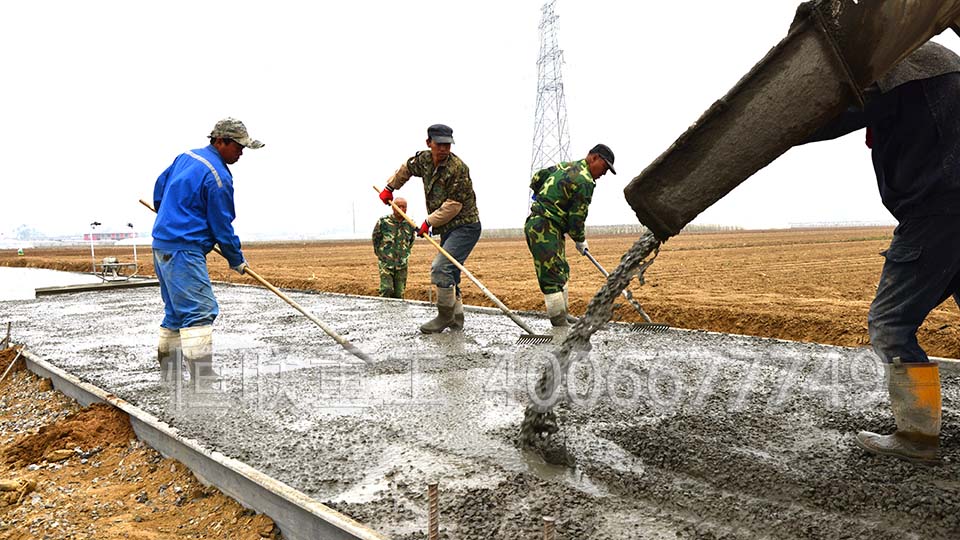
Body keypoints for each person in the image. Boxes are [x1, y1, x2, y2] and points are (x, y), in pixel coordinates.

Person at [803, 41, 960, 463]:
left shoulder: (898, 66)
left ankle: (918, 436)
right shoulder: (944, 63)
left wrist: (768, 125)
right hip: (950, 207)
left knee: (890, 324)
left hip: (934, 211)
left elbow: (825, 118)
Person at [151, 118, 264, 384]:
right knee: (199, 310)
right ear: (220, 141)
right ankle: (202, 377)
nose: (241, 152)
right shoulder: (218, 176)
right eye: (238, 146)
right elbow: (222, 225)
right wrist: (236, 259)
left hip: (162, 244)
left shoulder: (186, 157)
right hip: (184, 249)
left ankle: (170, 372)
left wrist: (170, 216)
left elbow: (159, 189)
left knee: (177, 311)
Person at [378, 124, 481, 333]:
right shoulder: (424, 160)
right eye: (439, 144)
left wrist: (429, 222)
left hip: (466, 226)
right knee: (451, 272)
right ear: (429, 143)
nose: (443, 149)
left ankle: (444, 317)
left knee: (441, 268)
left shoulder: (458, 168)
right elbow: (406, 168)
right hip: (448, 228)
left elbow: (454, 205)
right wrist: (390, 188)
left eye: (447, 145)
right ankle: (456, 318)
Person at [524, 144, 616, 326]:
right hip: (544, 226)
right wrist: (580, 240)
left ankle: (564, 315)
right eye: (604, 168)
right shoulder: (585, 181)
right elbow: (577, 217)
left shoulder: (565, 166)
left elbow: (537, 177)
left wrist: (542, 196)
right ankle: (558, 323)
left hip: (548, 225)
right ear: (594, 158)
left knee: (561, 270)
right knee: (551, 276)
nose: (604, 174)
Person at [372, 197, 416, 298]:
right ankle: (384, 311)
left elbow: (411, 241)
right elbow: (376, 238)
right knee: (387, 289)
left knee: (399, 293)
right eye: (398, 206)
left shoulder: (410, 224)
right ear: (393, 207)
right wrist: (381, 254)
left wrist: (405, 253)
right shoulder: (384, 222)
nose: (401, 208)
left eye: (403, 207)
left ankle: (398, 314)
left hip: (402, 263)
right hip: (386, 262)